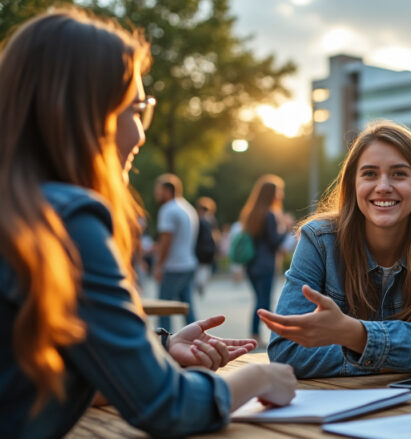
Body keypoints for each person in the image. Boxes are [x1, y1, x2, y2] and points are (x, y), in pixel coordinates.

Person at [0, 9, 295, 437]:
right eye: (135, 110)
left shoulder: (22, 210)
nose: (140, 134)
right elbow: (166, 408)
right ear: (82, 111)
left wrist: (159, 354)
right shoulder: (65, 221)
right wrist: (260, 379)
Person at [262, 121, 411, 378]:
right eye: (369, 174)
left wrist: (353, 334)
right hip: (334, 406)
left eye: (399, 174)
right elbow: (286, 352)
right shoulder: (318, 238)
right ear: (353, 185)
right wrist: (398, 356)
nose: (383, 186)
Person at [238, 174, 288, 344]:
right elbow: (274, 242)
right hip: (265, 264)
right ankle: (273, 336)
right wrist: (286, 229)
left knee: (259, 301)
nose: (281, 195)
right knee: (263, 302)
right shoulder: (270, 215)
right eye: (279, 191)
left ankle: (256, 334)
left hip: (252, 265)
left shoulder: (251, 213)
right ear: (271, 194)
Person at [153, 173, 198, 330]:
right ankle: (196, 338)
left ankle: (165, 344)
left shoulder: (168, 210)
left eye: (158, 190)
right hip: (188, 263)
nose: (156, 194)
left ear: (167, 191)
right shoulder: (187, 208)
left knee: (163, 308)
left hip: (173, 266)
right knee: (187, 307)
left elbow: (166, 240)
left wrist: (159, 265)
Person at [194, 196, 220, 297]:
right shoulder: (211, 221)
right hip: (210, 248)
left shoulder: (199, 221)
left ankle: (200, 283)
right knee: (205, 268)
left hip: (200, 248)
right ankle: (202, 283)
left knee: (200, 268)